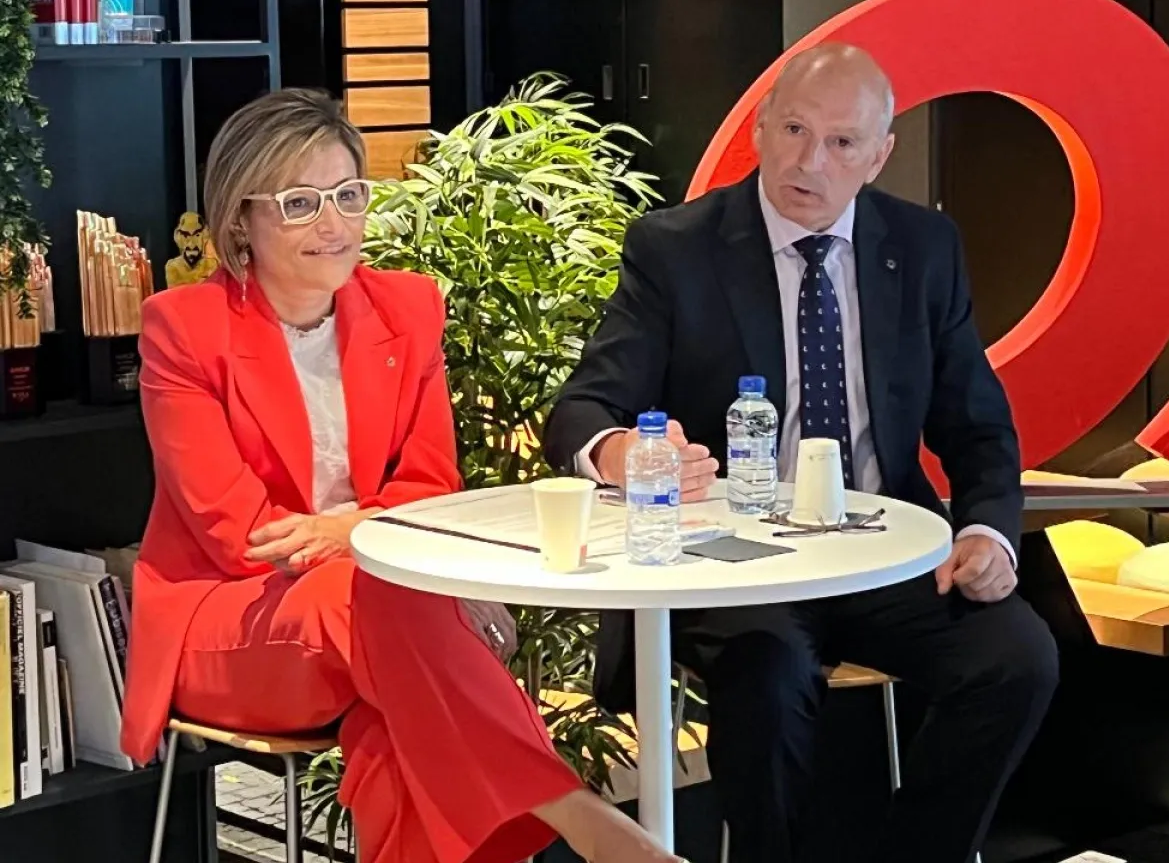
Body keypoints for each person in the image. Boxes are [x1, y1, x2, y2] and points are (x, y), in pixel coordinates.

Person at [118, 88, 682, 863]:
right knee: (383, 598)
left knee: (398, 733)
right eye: (300, 203)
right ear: (240, 218)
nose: (334, 223)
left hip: (382, 620)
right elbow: (238, 532)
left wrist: (355, 533)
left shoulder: (406, 310)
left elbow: (431, 490)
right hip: (233, 623)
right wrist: (390, 553)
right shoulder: (184, 329)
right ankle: (586, 822)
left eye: (348, 194)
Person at [544, 43, 1060, 863]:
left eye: (841, 142)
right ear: (759, 128)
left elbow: (978, 426)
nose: (808, 161)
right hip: (737, 566)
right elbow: (584, 408)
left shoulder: (922, 248)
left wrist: (986, 533)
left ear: (878, 156)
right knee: (767, 678)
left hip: (881, 553)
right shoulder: (678, 248)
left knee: (1017, 659)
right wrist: (621, 454)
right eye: (793, 129)